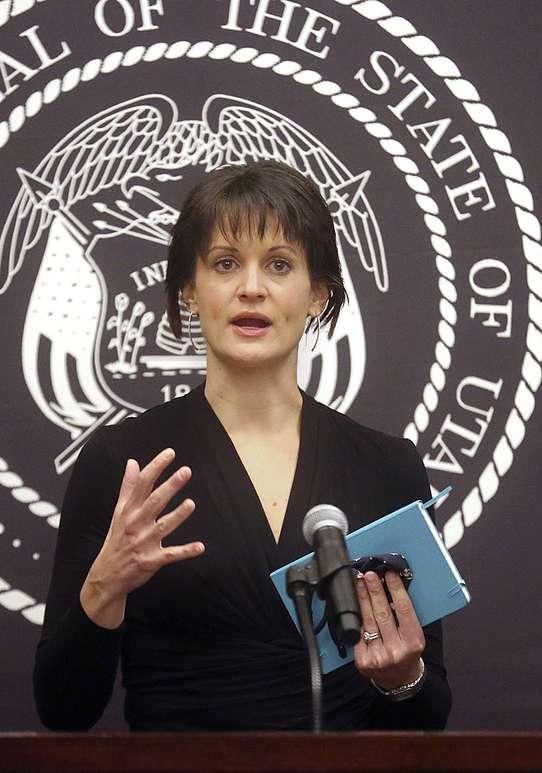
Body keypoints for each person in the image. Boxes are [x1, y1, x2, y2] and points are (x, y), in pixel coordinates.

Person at [33, 160, 452, 731]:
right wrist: (106, 583)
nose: (251, 288)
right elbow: (64, 709)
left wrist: (400, 676)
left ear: (317, 294)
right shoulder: (123, 463)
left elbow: (429, 719)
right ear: (189, 290)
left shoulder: (388, 467)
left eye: (279, 265)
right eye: (225, 264)